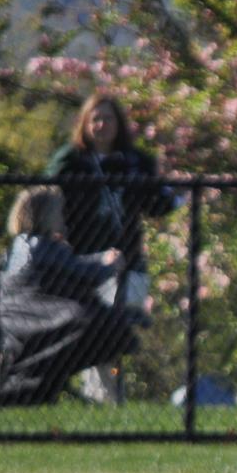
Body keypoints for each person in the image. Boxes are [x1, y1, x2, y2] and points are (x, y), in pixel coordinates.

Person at [45, 92, 176, 402]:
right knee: (92, 329)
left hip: (128, 261)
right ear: (84, 123)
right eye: (96, 119)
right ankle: (100, 396)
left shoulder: (134, 162)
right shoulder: (70, 161)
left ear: (119, 124)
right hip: (82, 262)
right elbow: (47, 196)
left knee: (116, 328)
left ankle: (109, 396)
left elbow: (158, 205)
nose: (102, 125)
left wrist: (160, 190)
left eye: (108, 119)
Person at [0, 185, 144, 405]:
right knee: (108, 326)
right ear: (44, 214)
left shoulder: (22, 246)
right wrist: (110, 265)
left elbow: (72, 265)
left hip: (21, 327)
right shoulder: (39, 245)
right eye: (58, 211)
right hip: (44, 327)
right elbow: (85, 274)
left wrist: (101, 259)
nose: (63, 216)